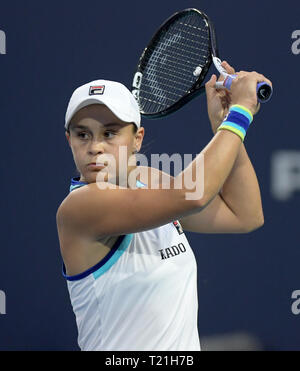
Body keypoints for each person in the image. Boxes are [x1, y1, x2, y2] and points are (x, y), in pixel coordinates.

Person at [56, 62, 271, 351]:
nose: (95, 147)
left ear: (137, 140)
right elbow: (193, 195)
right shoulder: (81, 207)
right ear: (69, 140)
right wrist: (240, 112)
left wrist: (223, 126)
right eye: (83, 135)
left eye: (109, 133)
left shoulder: (148, 180)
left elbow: (245, 215)